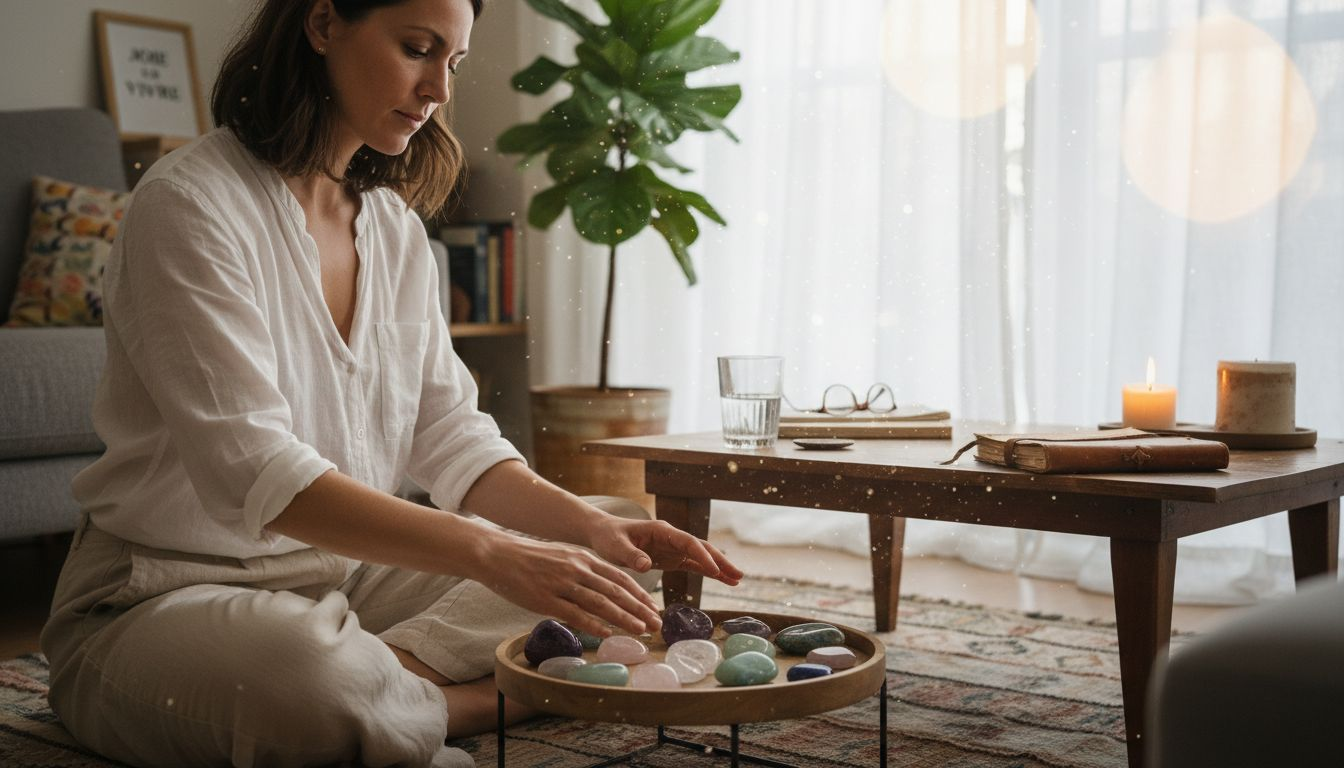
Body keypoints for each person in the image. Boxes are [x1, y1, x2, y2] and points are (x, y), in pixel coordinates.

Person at [39, 0, 743, 765]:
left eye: (453, 61)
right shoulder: (188, 204)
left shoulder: (394, 229)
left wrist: (588, 529)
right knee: (308, 681)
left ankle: (388, 692)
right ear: (322, 24)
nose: (439, 88)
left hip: (352, 582)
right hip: (163, 594)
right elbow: (255, 472)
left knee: (608, 546)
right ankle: (482, 695)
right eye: (417, 48)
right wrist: (488, 552)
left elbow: (451, 437)